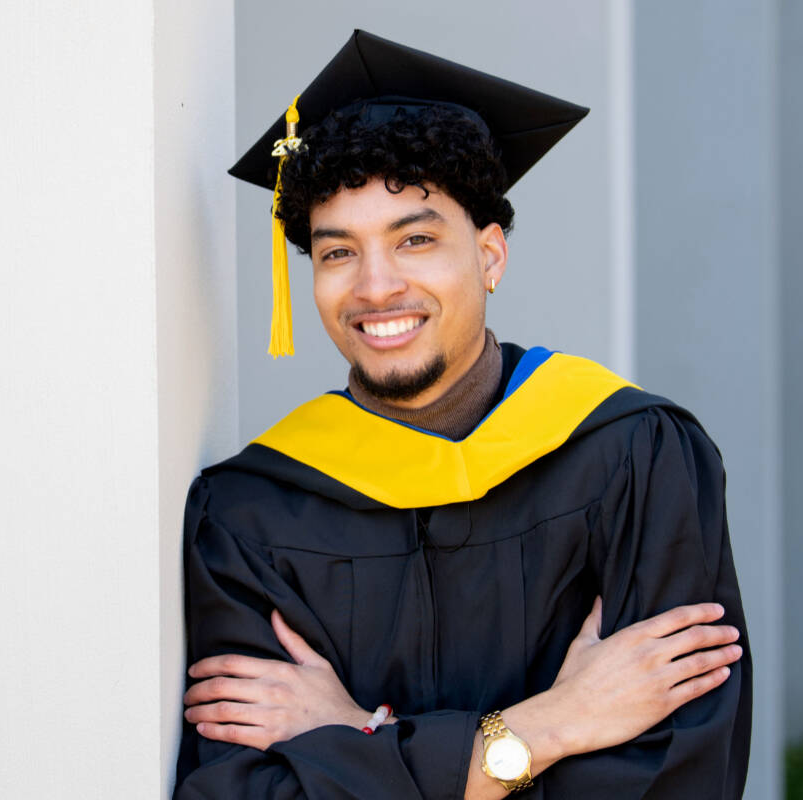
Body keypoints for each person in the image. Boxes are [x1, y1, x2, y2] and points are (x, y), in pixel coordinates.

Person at [175, 31, 752, 798]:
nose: (375, 287)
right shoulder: (248, 516)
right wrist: (551, 726)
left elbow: (678, 778)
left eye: (415, 240)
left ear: (489, 256)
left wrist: (355, 736)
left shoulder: (635, 459)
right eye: (338, 252)